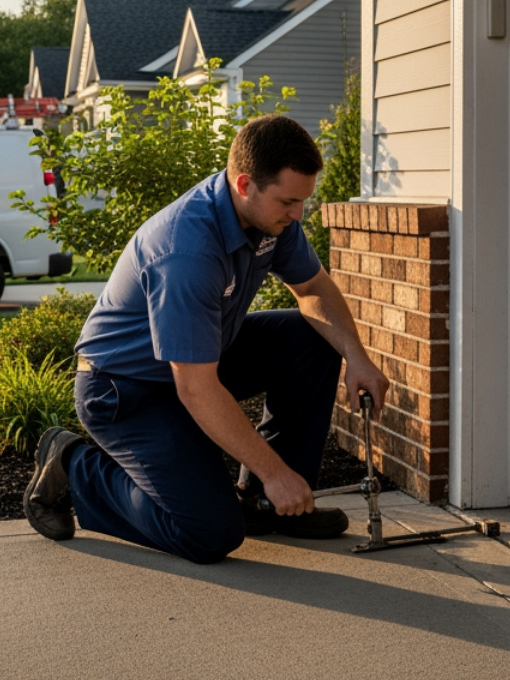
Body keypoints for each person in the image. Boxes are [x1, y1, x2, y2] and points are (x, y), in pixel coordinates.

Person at [23, 114, 390, 564]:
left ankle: (267, 504)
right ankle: (72, 464)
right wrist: (274, 470)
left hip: (199, 359)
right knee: (208, 534)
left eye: (302, 202)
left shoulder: (271, 221)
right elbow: (195, 388)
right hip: (126, 390)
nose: (298, 215)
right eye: (289, 202)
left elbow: (312, 290)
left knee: (311, 338)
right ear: (244, 184)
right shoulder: (186, 250)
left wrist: (357, 356)